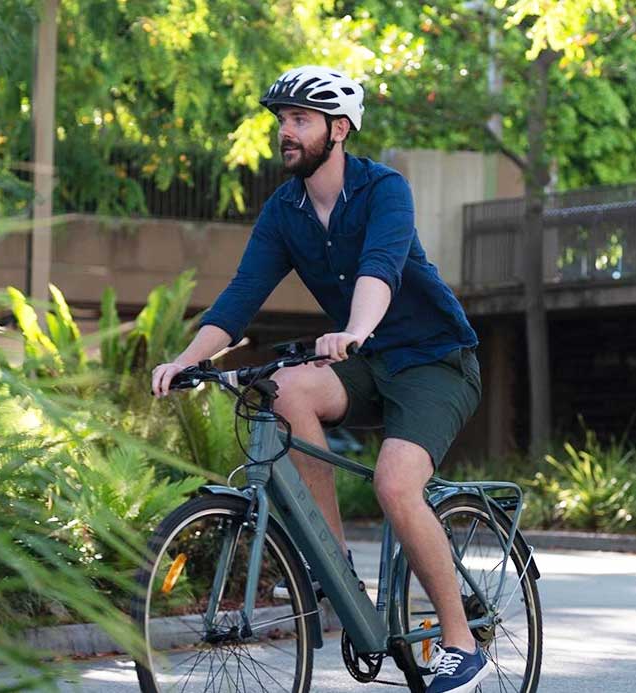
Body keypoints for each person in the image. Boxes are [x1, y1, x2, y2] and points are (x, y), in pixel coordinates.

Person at [151, 65, 487, 693]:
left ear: (339, 129)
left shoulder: (384, 189)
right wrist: (187, 359)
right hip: (367, 360)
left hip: (433, 361)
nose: (286, 132)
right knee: (285, 389)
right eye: (282, 121)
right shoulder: (286, 211)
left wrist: (355, 329)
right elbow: (240, 297)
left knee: (394, 484)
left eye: (300, 120)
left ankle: (460, 641)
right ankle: (332, 567)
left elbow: (381, 269)